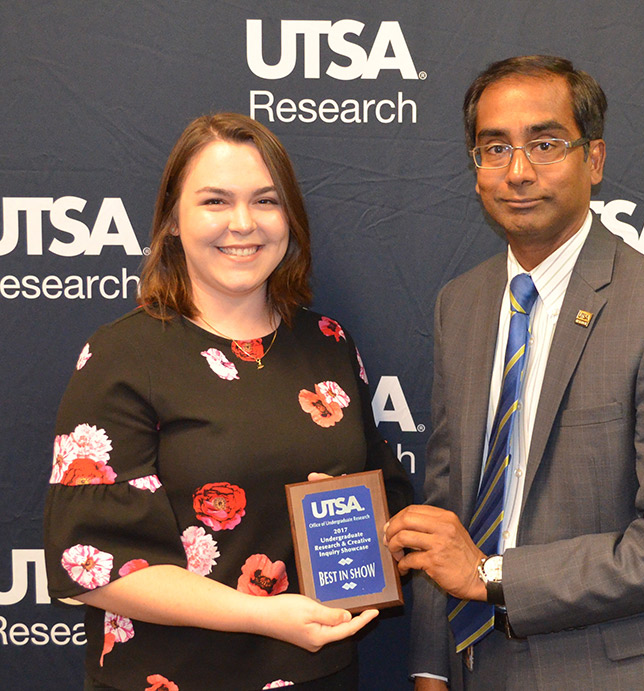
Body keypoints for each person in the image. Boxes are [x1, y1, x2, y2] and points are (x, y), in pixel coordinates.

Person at [385, 55, 644, 690]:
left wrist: (492, 578)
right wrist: (431, 666)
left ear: (594, 160)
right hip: (477, 668)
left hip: (616, 671)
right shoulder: (459, 305)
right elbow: (446, 509)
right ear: (475, 168)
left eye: (545, 144)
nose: (518, 171)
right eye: (495, 148)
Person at [43, 112, 412, 691]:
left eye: (266, 201)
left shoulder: (328, 343)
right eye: (215, 201)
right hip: (173, 678)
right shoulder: (121, 356)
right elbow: (90, 565)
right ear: (171, 220)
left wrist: (368, 523)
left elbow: (385, 499)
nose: (243, 224)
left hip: (320, 674)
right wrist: (264, 616)